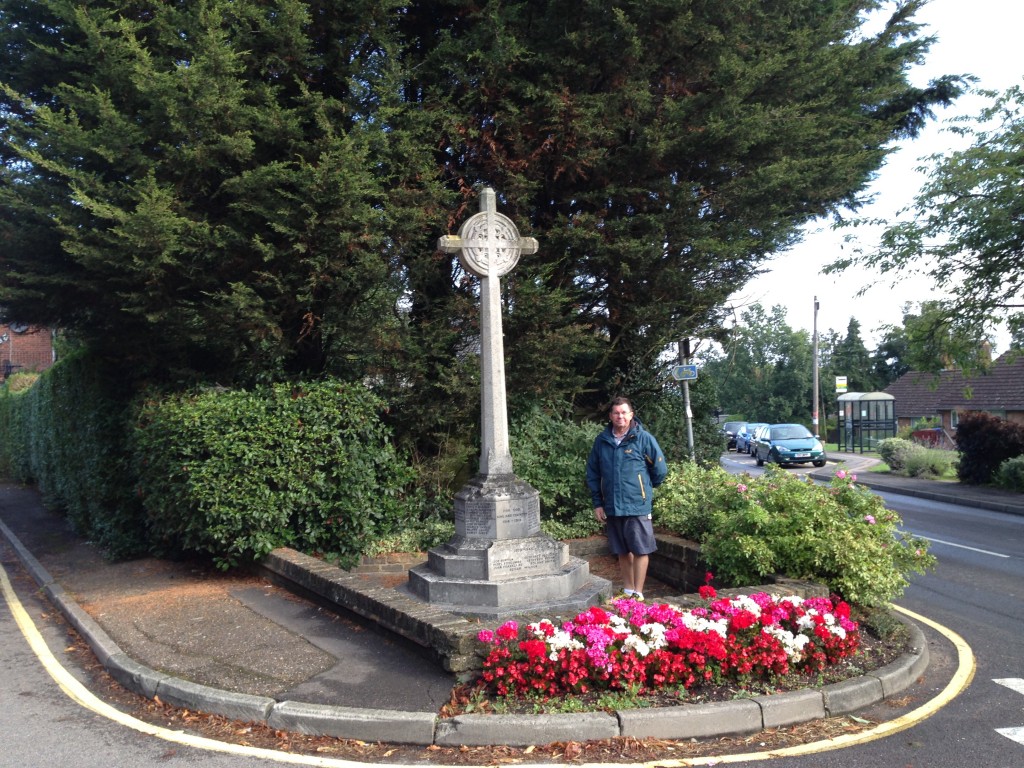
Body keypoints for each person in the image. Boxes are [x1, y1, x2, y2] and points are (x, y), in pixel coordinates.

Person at [585, 396, 668, 601]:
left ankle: (638, 593)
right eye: (616, 413)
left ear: (631, 415)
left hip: (637, 505)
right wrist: (598, 503)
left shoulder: (643, 439)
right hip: (613, 505)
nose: (620, 416)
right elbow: (593, 473)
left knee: (640, 549)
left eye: (624, 412)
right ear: (610, 416)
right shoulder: (602, 441)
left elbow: (659, 470)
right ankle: (628, 590)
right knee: (622, 550)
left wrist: (644, 490)